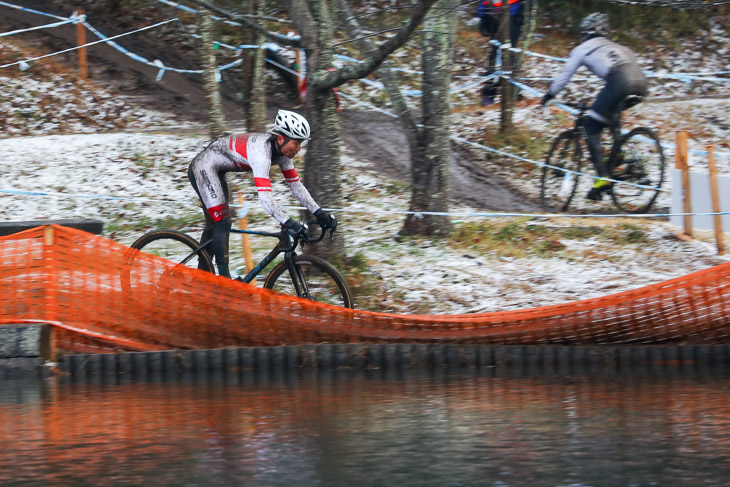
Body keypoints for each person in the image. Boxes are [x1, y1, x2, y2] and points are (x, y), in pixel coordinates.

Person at [187, 109, 336, 278]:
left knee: (215, 225)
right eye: (296, 143)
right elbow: (265, 200)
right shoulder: (261, 154)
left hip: (217, 169)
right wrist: (289, 223)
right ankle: (223, 279)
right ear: (281, 138)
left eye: (300, 144)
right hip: (204, 167)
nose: (298, 149)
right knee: (222, 222)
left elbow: (295, 186)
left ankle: (202, 274)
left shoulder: (283, 153)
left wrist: (319, 212)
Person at [541, 12, 648, 201]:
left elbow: (565, 75)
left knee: (591, 127)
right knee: (609, 115)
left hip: (619, 82)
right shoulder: (619, 47)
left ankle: (602, 178)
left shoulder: (583, 48)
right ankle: (618, 155)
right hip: (641, 83)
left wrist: (550, 94)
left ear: (586, 32)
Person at [476, 0, 528, 105]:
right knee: (495, 54)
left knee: (508, 53)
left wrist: (522, 12)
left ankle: (512, 93)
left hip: (512, 15)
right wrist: (482, 15)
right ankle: (490, 94)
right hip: (492, 15)